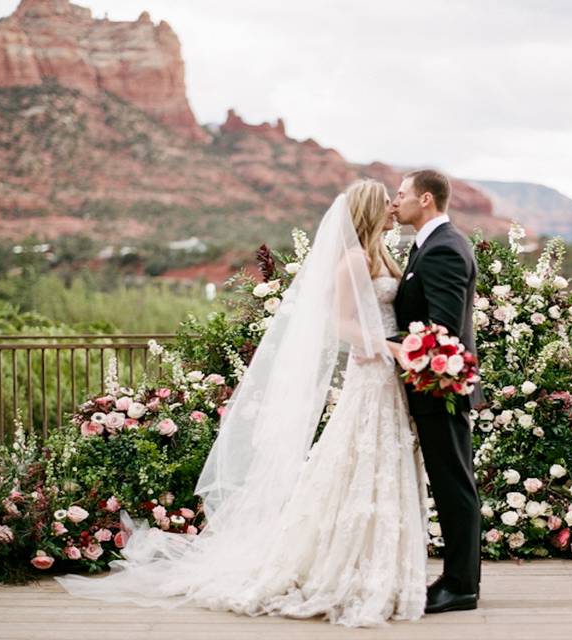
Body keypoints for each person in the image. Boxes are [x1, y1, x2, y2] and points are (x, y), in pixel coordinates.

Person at [56, 179, 429, 628]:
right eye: (387, 201)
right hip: (371, 373)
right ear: (371, 209)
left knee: (377, 461)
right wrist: (389, 349)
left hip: (387, 378)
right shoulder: (351, 258)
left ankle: (375, 565)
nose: (394, 206)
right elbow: (342, 325)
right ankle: (336, 566)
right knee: (354, 457)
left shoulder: (381, 253)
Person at [390, 169, 483, 613]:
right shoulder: (430, 245)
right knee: (451, 482)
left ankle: (461, 584)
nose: (397, 200)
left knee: (453, 486)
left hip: (439, 388)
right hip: (432, 387)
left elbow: (442, 332)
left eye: (402, 194)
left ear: (425, 199)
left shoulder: (443, 248)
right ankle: (457, 578)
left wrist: (386, 346)